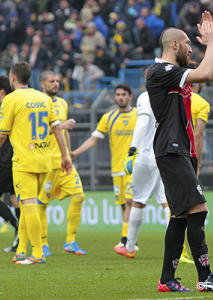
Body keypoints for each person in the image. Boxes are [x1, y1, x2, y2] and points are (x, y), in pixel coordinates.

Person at [146, 12, 213, 292]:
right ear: (174, 45)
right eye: (186, 44)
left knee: (181, 215)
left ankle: (167, 280)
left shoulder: (177, 74)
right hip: (170, 149)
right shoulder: (160, 72)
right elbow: (206, 72)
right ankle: (206, 277)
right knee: (199, 208)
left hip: (178, 150)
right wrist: (209, 43)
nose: (189, 48)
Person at [0, 61, 72, 265]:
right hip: (44, 160)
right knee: (26, 204)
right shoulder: (43, 98)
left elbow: (2, 133)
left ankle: (38, 253)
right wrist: (64, 155)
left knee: (29, 204)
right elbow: (57, 128)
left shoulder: (11, 99)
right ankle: (22, 250)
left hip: (24, 160)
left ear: (13, 78)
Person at [71, 84, 137, 248]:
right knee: (123, 204)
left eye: (124, 94)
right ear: (114, 97)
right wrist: (75, 153)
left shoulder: (139, 115)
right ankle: (130, 238)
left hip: (134, 167)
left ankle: (125, 240)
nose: (120, 97)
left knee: (129, 201)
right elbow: (93, 139)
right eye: (118, 95)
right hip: (117, 169)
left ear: (130, 96)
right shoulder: (109, 117)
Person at [114, 74, 170, 258]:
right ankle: (180, 246)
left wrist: (132, 151)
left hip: (147, 155)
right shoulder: (171, 95)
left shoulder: (146, 97)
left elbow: (143, 122)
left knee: (138, 201)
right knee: (165, 201)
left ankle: (129, 246)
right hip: (166, 154)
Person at [38, 70, 86, 256]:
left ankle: (70, 242)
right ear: (42, 84)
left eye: (57, 81)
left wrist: (69, 153)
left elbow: (64, 132)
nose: (56, 84)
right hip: (47, 162)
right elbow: (38, 132)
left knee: (79, 196)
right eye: (51, 81)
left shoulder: (63, 103)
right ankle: (42, 243)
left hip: (63, 162)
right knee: (41, 204)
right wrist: (62, 126)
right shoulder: (38, 104)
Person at [179, 81, 210, 264]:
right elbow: (198, 135)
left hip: (165, 152)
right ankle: (182, 252)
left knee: (175, 203)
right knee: (195, 208)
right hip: (185, 157)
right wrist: (197, 165)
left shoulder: (174, 96)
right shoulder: (201, 103)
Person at [0, 75, 20, 252]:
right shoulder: (16, 103)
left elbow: (1, 133)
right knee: (15, 198)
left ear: (1, 91)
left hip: (4, 159)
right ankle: (19, 237)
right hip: (16, 157)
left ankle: (18, 228)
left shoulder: (4, 106)